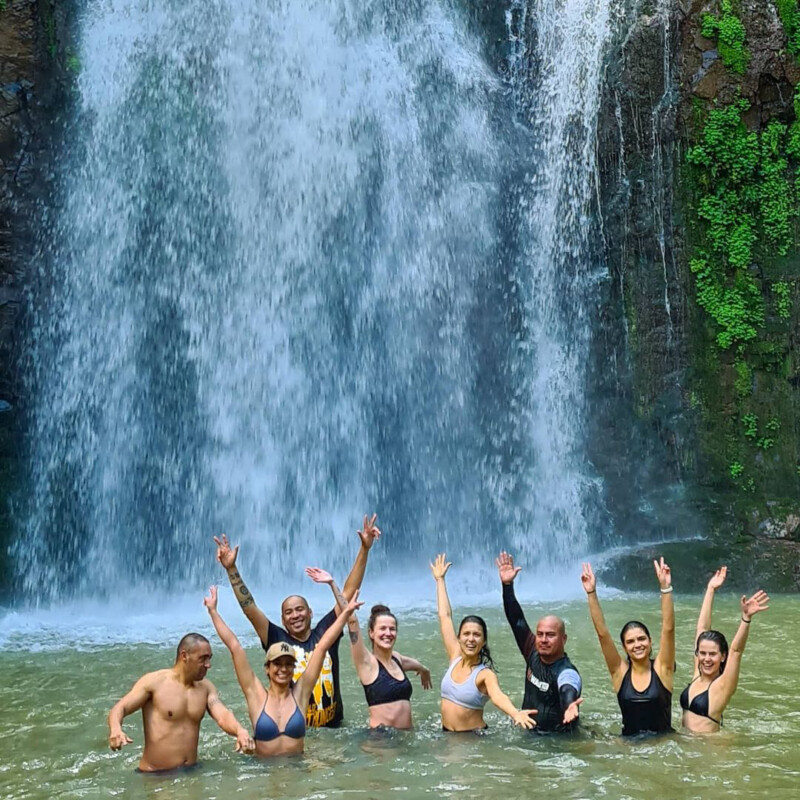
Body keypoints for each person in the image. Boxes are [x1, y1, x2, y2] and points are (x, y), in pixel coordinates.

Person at [213, 513, 381, 728]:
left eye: (300, 609)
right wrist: (231, 569)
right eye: (289, 613)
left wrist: (365, 549)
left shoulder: (326, 631)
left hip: (335, 730)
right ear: (283, 620)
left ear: (310, 613)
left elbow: (347, 595)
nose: (295, 615)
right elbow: (250, 608)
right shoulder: (276, 638)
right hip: (298, 731)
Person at [203, 584, 362, 757]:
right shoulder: (255, 694)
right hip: (264, 770)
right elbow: (235, 647)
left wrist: (346, 612)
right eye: (277, 664)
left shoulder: (301, 694)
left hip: (299, 769)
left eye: (288, 664)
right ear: (267, 668)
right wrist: (213, 612)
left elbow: (323, 646)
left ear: (294, 668)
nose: (283, 669)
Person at [107, 632, 254, 772]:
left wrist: (239, 731)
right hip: (155, 775)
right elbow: (121, 707)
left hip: (191, 772)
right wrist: (116, 729)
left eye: (209, 658)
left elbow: (222, 715)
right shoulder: (154, 682)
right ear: (184, 656)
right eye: (202, 658)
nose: (208, 665)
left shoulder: (205, 688)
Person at [305, 566, 431, 729]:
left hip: (406, 737)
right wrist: (332, 584)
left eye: (392, 629)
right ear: (371, 633)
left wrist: (424, 670)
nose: (388, 633)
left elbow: (415, 664)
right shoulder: (366, 662)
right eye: (382, 629)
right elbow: (352, 621)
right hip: (381, 739)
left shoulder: (397, 659)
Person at [430, 553, 538, 732]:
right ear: (459, 637)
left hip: (471, 739)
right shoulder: (455, 655)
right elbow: (445, 616)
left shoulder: (484, 675)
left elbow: (497, 696)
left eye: (476, 635)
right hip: (446, 734)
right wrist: (440, 580)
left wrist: (515, 713)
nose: (471, 639)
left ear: (483, 641)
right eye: (466, 634)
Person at [581, 558, 675, 736]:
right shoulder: (619, 672)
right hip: (628, 746)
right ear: (624, 647)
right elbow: (603, 634)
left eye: (641, 639)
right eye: (630, 642)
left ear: (650, 641)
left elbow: (668, 629)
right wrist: (591, 593)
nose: (637, 645)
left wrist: (665, 588)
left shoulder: (663, 669)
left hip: (663, 745)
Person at [496, 551, 583, 733]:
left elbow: (568, 688)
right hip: (529, 733)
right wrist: (507, 585)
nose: (543, 640)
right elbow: (516, 620)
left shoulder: (566, 671)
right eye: (540, 634)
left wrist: (570, 705)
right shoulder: (532, 650)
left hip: (557, 740)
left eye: (550, 635)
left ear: (564, 639)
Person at [681, 566, 769, 732]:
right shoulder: (697, 674)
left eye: (713, 654)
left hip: (708, 747)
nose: (706, 659)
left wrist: (746, 619)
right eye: (703, 653)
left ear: (722, 657)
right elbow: (702, 628)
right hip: (686, 744)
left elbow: (736, 651)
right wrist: (710, 589)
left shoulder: (722, 686)